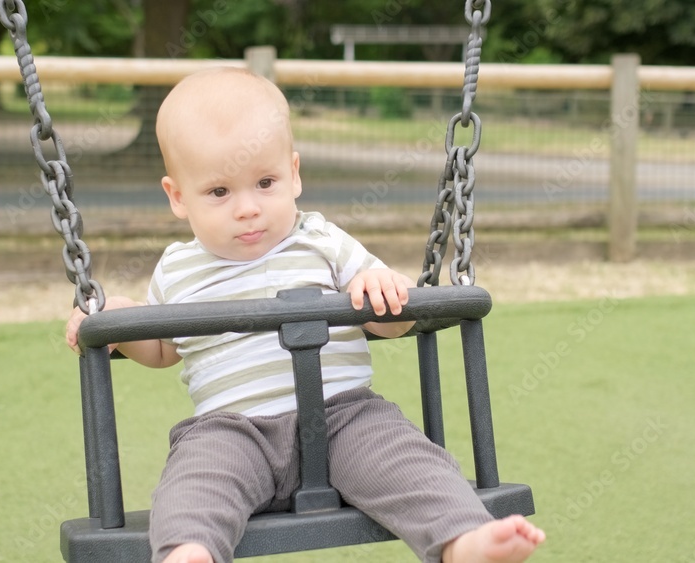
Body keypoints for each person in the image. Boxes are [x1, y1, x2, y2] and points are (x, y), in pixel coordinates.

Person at [66, 67, 545, 563]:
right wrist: (116, 324)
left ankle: (463, 540)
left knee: (409, 464)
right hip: (231, 431)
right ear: (178, 197)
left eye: (265, 182)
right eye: (219, 192)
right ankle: (190, 553)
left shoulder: (322, 240)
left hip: (344, 416)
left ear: (294, 174)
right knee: (192, 485)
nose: (247, 208)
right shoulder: (177, 268)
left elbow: (397, 319)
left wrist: (378, 288)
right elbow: (164, 349)